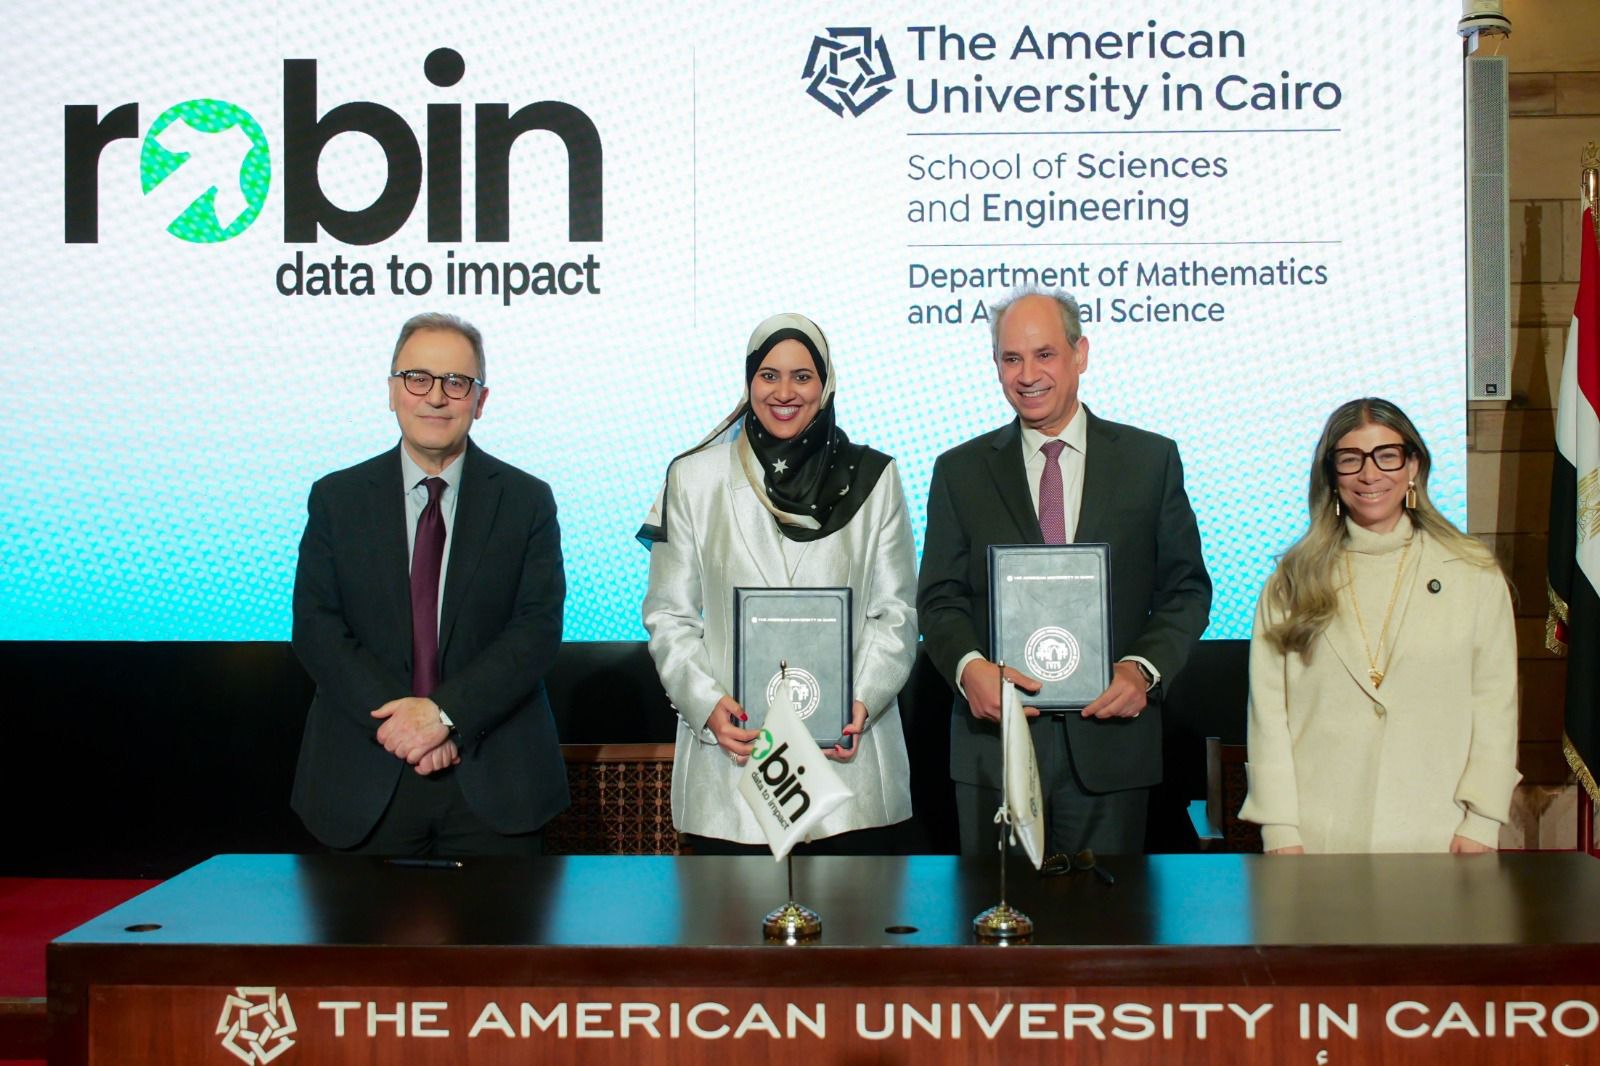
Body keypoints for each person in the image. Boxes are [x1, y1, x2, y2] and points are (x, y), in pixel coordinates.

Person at [917, 290, 1212, 856]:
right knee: (992, 912)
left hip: (1111, 748)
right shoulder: (959, 471)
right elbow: (938, 598)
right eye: (1011, 359)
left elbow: (1186, 589)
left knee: (1107, 915)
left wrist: (1143, 670)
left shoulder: (1150, 461)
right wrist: (969, 668)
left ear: (1081, 354)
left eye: (1045, 354)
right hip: (994, 750)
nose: (1027, 375)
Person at [291, 312, 568, 856]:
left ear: (480, 400)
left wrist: (443, 716)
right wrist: (406, 725)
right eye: (418, 379)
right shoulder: (337, 499)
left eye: (456, 382)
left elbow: (536, 631)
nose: (436, 397)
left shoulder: (527, 501)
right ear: (392, 391)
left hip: (495, 780)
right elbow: (316, 628)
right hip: (362, 779)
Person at [640, 313, 917, 853]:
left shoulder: (873, 477)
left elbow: (897, 611)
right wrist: (706, 705)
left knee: (853, 910)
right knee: (732, 910)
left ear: (825, 384)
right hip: (733, 766)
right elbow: (669, 615)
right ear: (749, 382)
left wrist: (862, 700)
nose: (784, 392)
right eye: (768, 375)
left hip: (848, 768)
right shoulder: (693, 478)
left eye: (802, 376)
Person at [1238, 398, 1519, 854]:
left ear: (1413, 466)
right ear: (1331, 475)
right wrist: (1279, 830)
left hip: (1442, 832)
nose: (1370, 475)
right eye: (1351, 459)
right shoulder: (1291, 582)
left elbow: (1495, 702)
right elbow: (1269, 715)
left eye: (1387, 456)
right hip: (1318, 838)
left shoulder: (1472, 573)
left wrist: (1483, 821)